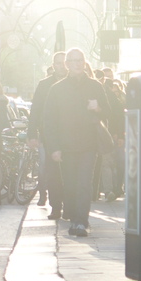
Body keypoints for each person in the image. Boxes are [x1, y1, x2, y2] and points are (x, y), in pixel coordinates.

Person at [44, 48, 111, 237]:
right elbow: (49, 121)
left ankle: (81, 222)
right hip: (66, 146)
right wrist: (54, 148)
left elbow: (109, 112)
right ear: (67, 65)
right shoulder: (57, 88)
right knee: (71, 184)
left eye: (80, 60)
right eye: (72, 60)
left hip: (88, 145)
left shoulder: (95, 86)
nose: (77, 63)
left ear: (84, 62)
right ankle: (74, 216)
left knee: (84, 183)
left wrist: (98, 108)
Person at [27, 52, 67, 217]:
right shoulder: (45, 84)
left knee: (70, 173)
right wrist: (32, 134)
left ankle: (70, 206)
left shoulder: (74, 83)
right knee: (52, 172)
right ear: (53, 65)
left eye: (64, 63)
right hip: (49, 135)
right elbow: (35, 109)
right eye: (58, 63)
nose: (62, 66)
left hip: (71, 135)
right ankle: (56, 207)